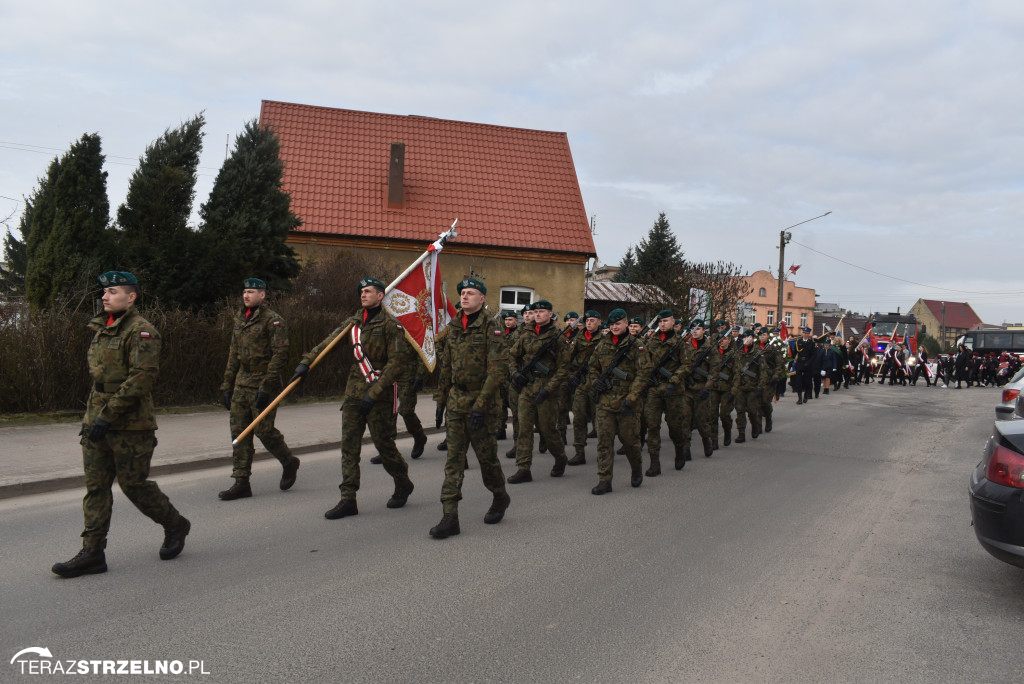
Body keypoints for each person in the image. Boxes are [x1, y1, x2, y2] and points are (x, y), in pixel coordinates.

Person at [52, 271, 191, 578]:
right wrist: (91, 419)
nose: (104, 296)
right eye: (104, 292)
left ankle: (175, 524)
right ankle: (92, 553)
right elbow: (99, 380)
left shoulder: (142, 331)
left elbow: (141, 379)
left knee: (133, 485)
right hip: (98, 421)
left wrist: (106, 415)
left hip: (131, 425)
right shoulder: (102, 329)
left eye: (112, 291)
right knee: (96, 487)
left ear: (131, 297)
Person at [291, 277, 415, 519]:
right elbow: (328, 343)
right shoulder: (353, 322)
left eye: (368, 291)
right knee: (349, 448)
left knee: (385, 446)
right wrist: (306, 363)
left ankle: (403, 482)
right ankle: (348, 498)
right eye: (361, 291)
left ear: (380, 296)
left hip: (378, 396)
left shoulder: (391, 325)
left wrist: (375, 392)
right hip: (353, 394)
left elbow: (397, 364)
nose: (363, 294)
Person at [429, 278, 511, 539]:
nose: (464, 297)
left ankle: (500, 496)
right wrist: (441, 401)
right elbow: (447, 368)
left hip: (483, 406)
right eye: (462, 293)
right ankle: (450, 516)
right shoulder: (453, 327)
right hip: (456, 403)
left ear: (482, 298)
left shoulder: (492, 328)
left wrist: (480, 406)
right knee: (454, 460)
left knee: (487, 461)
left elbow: (497, 371)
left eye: (470, 293)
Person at [217, 278, 300, 501]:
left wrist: (267, 386)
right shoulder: (240, 319)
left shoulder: (273, 321)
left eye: (251, 292)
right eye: (244, 291)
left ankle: (288, 461)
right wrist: (226, 385)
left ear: (262, 295)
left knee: (264, 430)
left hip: (264, 381)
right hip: (241, 382)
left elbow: (280, 355)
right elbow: (233, 354)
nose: (246, 295)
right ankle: (241, 482)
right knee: (239, 432)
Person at [507, 300, 570, 483]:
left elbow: (563, 368)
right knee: (524, 429)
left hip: (546, 389)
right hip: (527, 387)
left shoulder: (558, 338)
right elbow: (512, 355)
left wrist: (549, 389)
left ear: (550, 314)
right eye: (535, 312)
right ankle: (523, 468)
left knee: (548, 430)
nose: (538, 314)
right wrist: (515, 373)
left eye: (542, 311)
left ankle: (560, 457)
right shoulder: (525, 333)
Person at [588, 309, 645, 494]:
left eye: (618, 324)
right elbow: (592, 368)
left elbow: (643, 375)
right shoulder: (602, 345)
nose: (614, 327)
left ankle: (636, 469)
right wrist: (595, 382)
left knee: (630, 442)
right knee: (604, 442)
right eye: (611, 324)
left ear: (626, 323)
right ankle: (605, 480)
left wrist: (632, 397)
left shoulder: (637, 346)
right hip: (605, 402)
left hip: (627, 403)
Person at [641, 310, 688, 476]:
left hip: (673, 391)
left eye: (666, 321)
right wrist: (648, 378)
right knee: (652, 425)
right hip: (654, 389)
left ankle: (680, 449)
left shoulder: (680, 342)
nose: (662, 324)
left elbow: (686, 366)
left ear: (673, 322)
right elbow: (645, 361)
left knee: (675, 426)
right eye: (660, 321)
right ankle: (655, 463)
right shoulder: (651, 341)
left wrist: (673, 381)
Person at [566, 310, 603, 466]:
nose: (589, 323)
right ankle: (579, 453)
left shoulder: (605, 340)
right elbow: (568, 358)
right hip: (581, 383)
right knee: (579, 419)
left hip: (598, 384)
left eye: (592, 320)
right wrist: (571, 377)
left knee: (601, 421)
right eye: (587, 320)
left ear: (599, 322)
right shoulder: (579, 338)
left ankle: (604, 452)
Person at [732, 329, 766, 443]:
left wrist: (760, 387)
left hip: (753, 387)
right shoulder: (738, 352)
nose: (746, 339)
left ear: (752, 338)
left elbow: (763, 371)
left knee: (752, 411)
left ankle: (755, 426)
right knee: (740, 410)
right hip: (740, 387)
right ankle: (741, 433)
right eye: (744, 337)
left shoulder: (758, 353)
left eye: (748, 337)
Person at [707, 332, 738, 448]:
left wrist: (733, 391)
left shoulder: (733, 355)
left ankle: (727, 432)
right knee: (712, 415)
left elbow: (737, 375)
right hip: (714, 388)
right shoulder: (713, 354)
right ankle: (714, 440)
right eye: (720, 339)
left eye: (724, 339)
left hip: (727, 389)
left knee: (724, 414)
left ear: (729, 340)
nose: (722, 341)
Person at [756, 328, 781, 432]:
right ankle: (758, 426)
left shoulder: (772, 349)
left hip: (769, 380)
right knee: (757, 403)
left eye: (764, 335)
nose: (762, 336)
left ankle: (768, 418)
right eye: (760, 335)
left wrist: (775, 377)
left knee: (765, 402)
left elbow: (779, 364)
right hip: (757, 379)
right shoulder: (755, 348)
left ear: (768, 336)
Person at [791, 327, 815, 404]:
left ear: (809, 334)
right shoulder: (798, 342)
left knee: (807, 381)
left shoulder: (811, 343)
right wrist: (791, 363)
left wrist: (809, 363)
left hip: (808, 363)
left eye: (807, 333)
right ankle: (799, 398)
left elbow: (813, 355)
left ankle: (806, 395)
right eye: (804, 333)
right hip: (800, 363)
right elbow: (795, 353)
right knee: (798, 381)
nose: (805, 335)